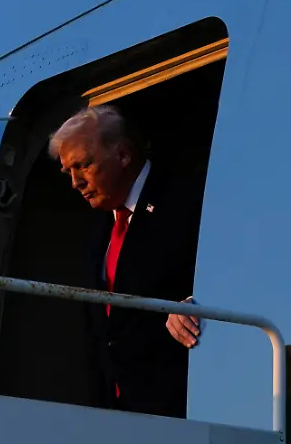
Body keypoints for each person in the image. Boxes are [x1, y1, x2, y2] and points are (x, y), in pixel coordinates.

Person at [48, 104, 203, 419]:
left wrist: (194, 302)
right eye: (68, 172)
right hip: (118, 413)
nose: (75, 182)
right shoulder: (99, 225)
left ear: (122, 155)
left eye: (83, 166)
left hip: (184, 404)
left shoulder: (188, 199)